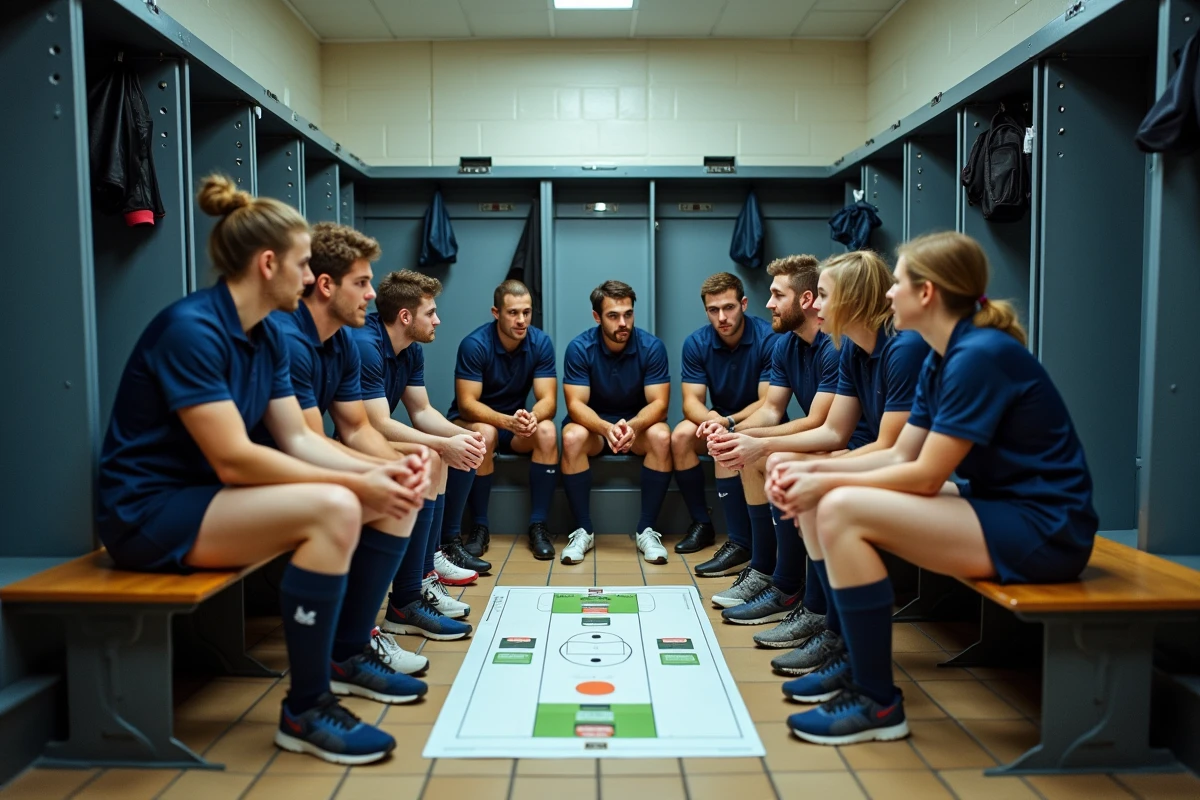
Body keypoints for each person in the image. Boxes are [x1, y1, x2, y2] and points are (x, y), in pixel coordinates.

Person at [97, 175, 429, 765]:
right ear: (268, 263)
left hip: (210, 499)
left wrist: (379, 476)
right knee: (336, 507)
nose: (309, 280)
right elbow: (233, 455)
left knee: (389, 498)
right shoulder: (192, 330)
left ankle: (348, 653)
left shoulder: (265, 336)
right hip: (148, 511)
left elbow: (298, 439)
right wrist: (355, 480)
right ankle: (306, 708)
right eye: (303, 266)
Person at [769, 232, 1097, 746]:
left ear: (928, 294)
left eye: (897, 283)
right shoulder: (944, 356)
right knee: (822, 501)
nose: (889, 294)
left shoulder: (979, 355)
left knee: (839, 510)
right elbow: (900, 453)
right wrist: (812, 475)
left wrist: (821, 476)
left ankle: (876, 702)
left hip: (1047, 529)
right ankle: (848, 657)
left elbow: (925, 475)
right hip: (998, 507)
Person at [712, 250, 927, 671]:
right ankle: (817, 615)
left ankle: (822, 617)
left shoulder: (902, 350)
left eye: (824, 296)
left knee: (813, 488)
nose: (817, 306)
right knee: (790, 470)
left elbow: (893, 449)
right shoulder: (848, 349)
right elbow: (833, 431)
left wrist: (794, 461)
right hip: (881, 456)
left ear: (850, 300)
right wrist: (751, 440)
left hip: (911, 470)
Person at [264, 221, 471, 635]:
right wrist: (387, 470)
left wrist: (445, 444)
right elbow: (322, 436)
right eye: (361, 282)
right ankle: (363, 634)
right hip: (267, 474)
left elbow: (360, 428)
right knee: (407, 474)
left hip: (301, 460)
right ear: (324, 284)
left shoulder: (340, 342)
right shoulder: (334, 341)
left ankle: (401, 602)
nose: (371, 294)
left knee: (420, 468)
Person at [696, 256, 849, 637]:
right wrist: (734, 434)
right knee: (749, 458)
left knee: (773, 457)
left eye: (778, 295)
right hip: (823, 441)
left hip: (849, 445)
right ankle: (764, 571)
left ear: (806, 299)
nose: (769, 304)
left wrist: (754, 443)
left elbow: (819, 423)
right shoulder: (785, 345)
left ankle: (786, 586)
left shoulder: (833, 347)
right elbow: (770, 410)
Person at [353, 270, 488, 642]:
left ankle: (423, 580)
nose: (438, 320)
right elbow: (377, 424)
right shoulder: (367, 345)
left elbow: (423, 411)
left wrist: (465, 436)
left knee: (437, 453)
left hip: (376, 440)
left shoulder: (410, 349)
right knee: (431, 454)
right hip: (355, 445)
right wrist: (440, 444)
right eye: (431, 312)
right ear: (406, 317)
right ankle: (407, 600)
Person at [670, 272, 782, 567]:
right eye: (713, 310)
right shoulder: (696, 342)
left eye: (729, 307)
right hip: (719, 418)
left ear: (743, 303)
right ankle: (702, 524)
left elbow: (767, 403)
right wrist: (712, 419)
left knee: (723, 441)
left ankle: (741, 542)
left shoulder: (768, 337)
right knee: (681, 435)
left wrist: (726, 423)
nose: (722, 317)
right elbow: (691, 402)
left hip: (763, 420)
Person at [559, 280, 672, 565]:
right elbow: (575, 405)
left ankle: (646, 530)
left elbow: (659, 404)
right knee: (571, 436)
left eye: (628, 314)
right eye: (613, 316)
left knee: (661, 435)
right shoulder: (579, 348)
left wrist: (632, 427)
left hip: (637, 429)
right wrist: (607, 429)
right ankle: (584, 530)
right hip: (596, 430)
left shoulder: (652, 347)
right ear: (597, 317)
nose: (623, 323)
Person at [448, 280, 560, 559]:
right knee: (485, 433)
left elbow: (548, 400)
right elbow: (467, 404)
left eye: (526, 312)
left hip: (513, 424)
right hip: (474, 422)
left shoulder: (540, 342)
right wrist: (506, 422)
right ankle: (480, 527)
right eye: (513, 313)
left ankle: (538, 525)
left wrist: (531, 419)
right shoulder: (475, 345)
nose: (521, 320)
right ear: (496, 312)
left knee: (546, 431)